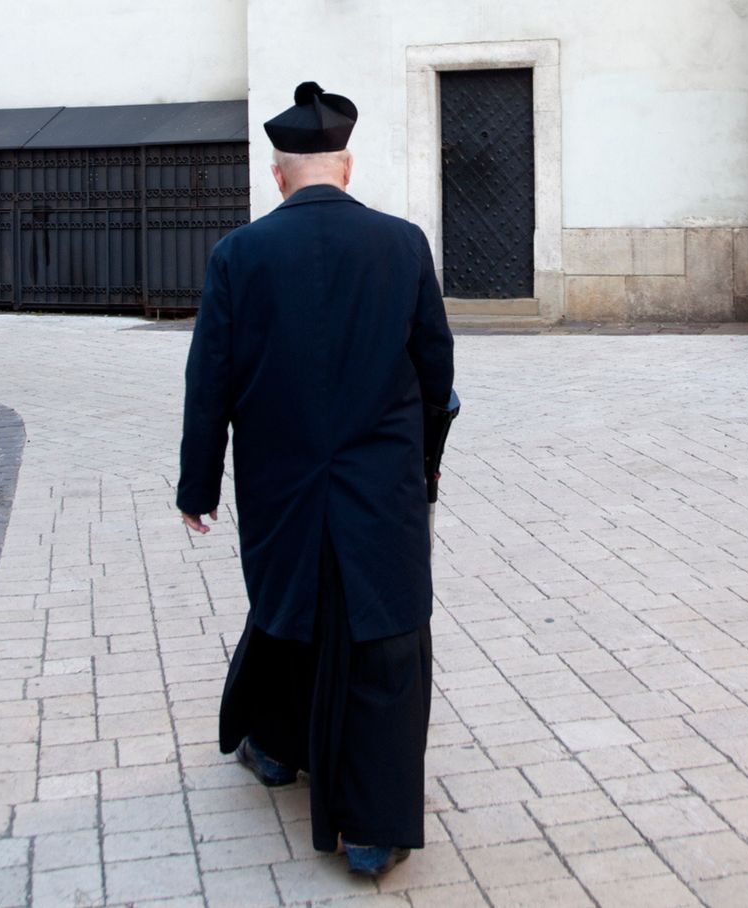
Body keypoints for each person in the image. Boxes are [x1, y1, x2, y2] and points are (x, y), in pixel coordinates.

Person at [176, 81, 455, 877]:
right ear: (347, 165)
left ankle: (273, 748)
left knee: (289, 608)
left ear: (278, 174)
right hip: (381, 486)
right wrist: (425, 461)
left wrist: (199, 487)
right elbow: (435, 371)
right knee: (382, 638)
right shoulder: (403, 245)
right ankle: (369, 830)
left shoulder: (239, 254)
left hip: (280, 486)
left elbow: (211, 383)